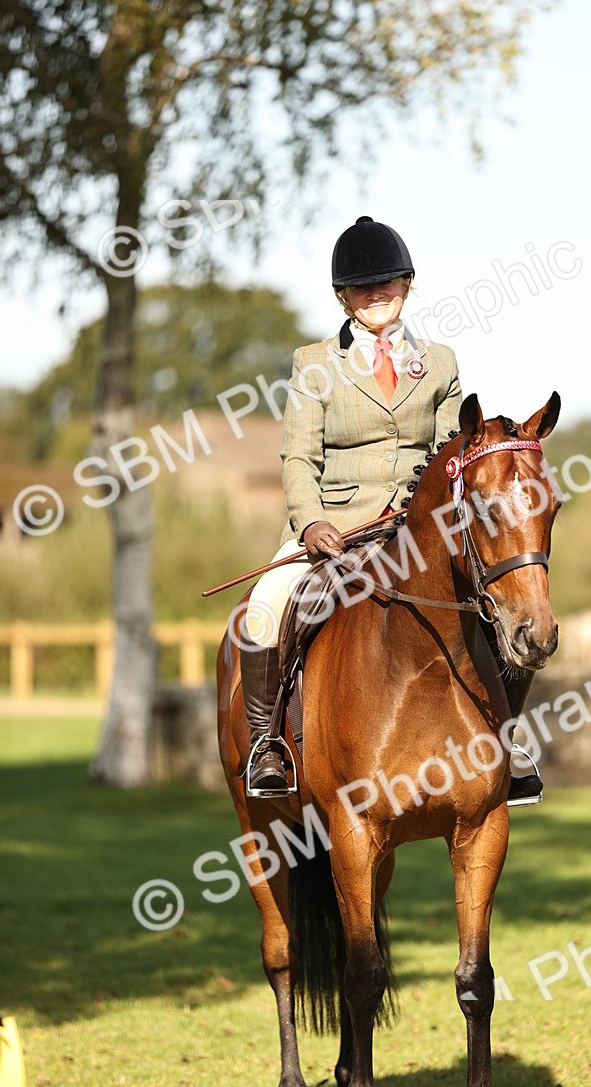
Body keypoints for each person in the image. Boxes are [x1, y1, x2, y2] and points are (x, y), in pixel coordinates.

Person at [239, 215, 543, 804]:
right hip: (335, 528)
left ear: (407, 286)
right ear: (343, 297)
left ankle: (506, 740)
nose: (376, 295)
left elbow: (453, 451)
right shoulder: (314, 364)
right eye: (362, 287)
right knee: (264, 608)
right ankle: (267, 743)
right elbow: (297, 457)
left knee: (514, 603)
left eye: (388, 283)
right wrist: (313, 523)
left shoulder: (441, 362)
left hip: (419, 528)